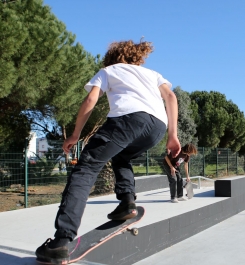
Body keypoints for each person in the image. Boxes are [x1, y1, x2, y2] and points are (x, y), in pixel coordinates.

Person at [35, 39, 181, 264]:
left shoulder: (108, 70)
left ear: (113, 57)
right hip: (157, 127)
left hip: (127, 120)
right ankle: (127, 202)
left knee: (85, 169)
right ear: (137, 57)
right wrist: (173, 135)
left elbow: (91, 99)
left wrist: (75, 135)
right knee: (122, 155)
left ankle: (62, 240)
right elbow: (171, 97)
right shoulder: (152, 74)